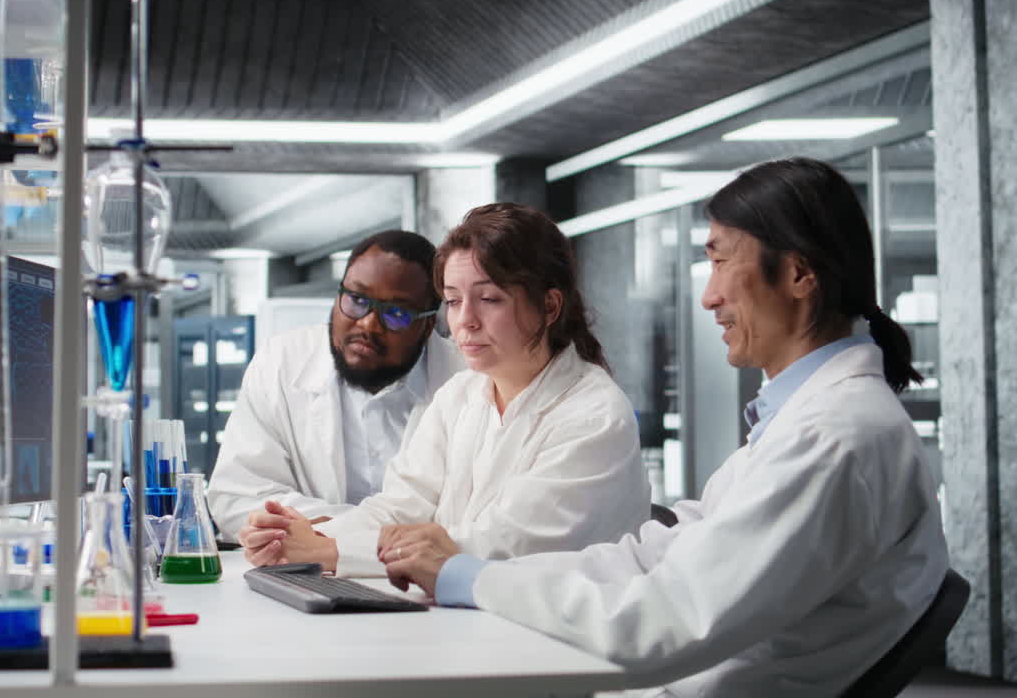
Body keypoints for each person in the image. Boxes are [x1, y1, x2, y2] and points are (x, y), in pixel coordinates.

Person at [383, 158, 950, 697]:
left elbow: (659, 623)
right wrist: (467, 574)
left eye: (723, 261)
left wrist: (470, 578)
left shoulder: (837, 437)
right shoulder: (808, 422)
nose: (708, 295)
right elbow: (653, 555)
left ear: (800, 273)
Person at [241, 203, 649, 576]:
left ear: (549, 306)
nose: (465, 321)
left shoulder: (594, 418)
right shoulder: (461, 395)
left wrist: (329, 552)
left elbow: (504, 545)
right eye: (453, 301)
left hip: (564, 642)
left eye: (488, 299)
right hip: (471, 624)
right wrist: (297, 538)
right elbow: (401, 506)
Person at [206, 230, 465, 539]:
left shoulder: (468, 380)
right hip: (306, 575)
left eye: (396, 313)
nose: (368, 324)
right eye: (357, 300)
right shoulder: (282, 362)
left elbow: (473, 522)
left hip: (429, 581)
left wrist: (320, 533)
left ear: (427, 326)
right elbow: (236, 498)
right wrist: (379, 535)